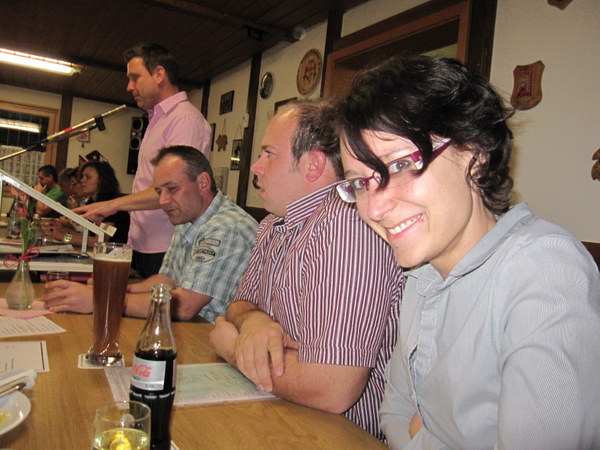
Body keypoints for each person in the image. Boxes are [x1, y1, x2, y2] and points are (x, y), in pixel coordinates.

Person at [334, 55, 600, 449]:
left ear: (474, 153)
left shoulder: (544, 269)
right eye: (359, 183)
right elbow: (393, 412)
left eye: (401, 164)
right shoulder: (420, 278)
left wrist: (423, 435)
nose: (374, 208)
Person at [209, 101, 403, 440]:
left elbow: (332, 387)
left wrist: (234, 348)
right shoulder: (273, 224)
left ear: (313, 164)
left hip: (346, 435)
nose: (255, 167)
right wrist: (255, 322)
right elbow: (239, 305)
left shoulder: (346, 224)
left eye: (269, 154)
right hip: (284, 413)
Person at [42, 146, 258, 323]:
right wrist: (117, 289)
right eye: (159, 192)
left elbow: (185, 306)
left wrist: (102, 299)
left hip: (211, 339)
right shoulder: (188, 216)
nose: (162, 201)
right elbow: (167, 280)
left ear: (202, 183)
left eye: (172, 189)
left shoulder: (227, 226)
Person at [75, 43, 212, 277]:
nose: (129, 87)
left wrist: (112, 205)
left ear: (159, 74)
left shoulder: (185, 120)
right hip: (143, 242)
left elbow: (174, 190)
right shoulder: (157, 119)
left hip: (166, 245)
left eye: (135, 77)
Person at [46, 161, 130, 245]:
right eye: (82, 176)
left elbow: (100, 241)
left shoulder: (108, 202)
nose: (82, 180)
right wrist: (62, 231)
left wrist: (64, 237)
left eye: (88, 177)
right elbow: (87, 235)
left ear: (102, 180)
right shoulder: (92, 201)